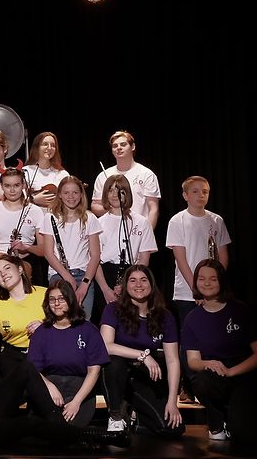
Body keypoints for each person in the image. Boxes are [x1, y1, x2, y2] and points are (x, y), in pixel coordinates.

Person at [99, 264, 185, 438]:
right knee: (114, 363)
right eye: (133, 280)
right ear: (126, 285)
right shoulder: (113, 309)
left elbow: (173, 361)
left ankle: (134, 418)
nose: (138, 284)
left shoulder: (165, 316)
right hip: (117, 375)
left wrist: (172, 402)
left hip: (143, 377)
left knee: (172, 428)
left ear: (151, 284)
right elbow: (106, 345)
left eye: (143, 280)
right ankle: (116, 416)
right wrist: (143, 355)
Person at [182, 260, 257, 443]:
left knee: (243, 433)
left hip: (242, 374)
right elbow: (193, 361)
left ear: (221, 281)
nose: (207, 283)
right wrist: (208, 364)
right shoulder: (193, 318)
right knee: (201, 382)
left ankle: (232, 417)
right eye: (201, 278)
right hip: (214, 373)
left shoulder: (240, 310)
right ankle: (216, 422)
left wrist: (231, 371)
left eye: (213, 279)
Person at [27, 279, 108, 427]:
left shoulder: (88, 330)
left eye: (61, 299)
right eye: (52, 299)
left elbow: (94, 371)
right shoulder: (41, 332)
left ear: (70, 300)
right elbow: (33, 369)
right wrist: (49, 387)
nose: (56, 303)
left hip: (80, 390)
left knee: (69, 429)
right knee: (44, 428)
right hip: (50, 387)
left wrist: (76, 402)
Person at [167, 176, 231, 322]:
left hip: (214, 289)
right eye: (195, 191)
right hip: (188, 292)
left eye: (205, 192)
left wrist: (216, 283)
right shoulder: (177, 221)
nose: (201, 195)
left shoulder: (217, 220)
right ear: (185, 195)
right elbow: (181, 260)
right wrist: (196, 289)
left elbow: (223, 255)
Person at [40, 176, 103, 316]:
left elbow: (95, 255)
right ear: (60, 195)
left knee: (83, 319)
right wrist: (67, 276)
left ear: (81, 194)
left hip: (84, 275)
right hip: (59, 274)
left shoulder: (90, 218)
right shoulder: (50, 218)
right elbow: (48, 253)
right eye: (66, 193)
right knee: (61, 318)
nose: (71, 196)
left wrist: (85, 284)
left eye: (75, 192)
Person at [0, 254, 48, 374]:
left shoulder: (44, 294)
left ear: (20, 269)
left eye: (7, 268)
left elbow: (66, 323)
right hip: (14, 358)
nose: (3, 274)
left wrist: (46, 326)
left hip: (45, 354)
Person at [96, 174, 158, 307]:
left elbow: (144, 258)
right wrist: (106, 290)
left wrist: (129, 283)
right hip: (105, 277)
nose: (115, 195)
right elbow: (94, 260)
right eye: (111, 190)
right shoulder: (98, 224)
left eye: (120, 191)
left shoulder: (142, 222)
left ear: (127, 194)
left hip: (132, 275)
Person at [0, 168, 48, 286]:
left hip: (27, 267)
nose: (12, 190)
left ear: (23, 185)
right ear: (1, 186)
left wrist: (26, 247)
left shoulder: (35, 211)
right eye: (7, 186)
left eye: (16, 185)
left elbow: (43, 250)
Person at [91, 131, 160, 228]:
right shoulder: (103, 176)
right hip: (111, 230)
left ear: (133, 147)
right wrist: (112, 208)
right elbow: (95, 206)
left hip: (137, 229)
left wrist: (147, 233)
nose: (119, 148)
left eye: (123, 144)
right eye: (115, 146)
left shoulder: (146, 174)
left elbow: (153, 209)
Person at [23, 132, 70, 208]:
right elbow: (18, 200)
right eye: (45, 144)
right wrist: (33, 200)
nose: (49, 148)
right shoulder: (26, 171)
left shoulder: (63, 174)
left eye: (53, 145)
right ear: (37, 147)